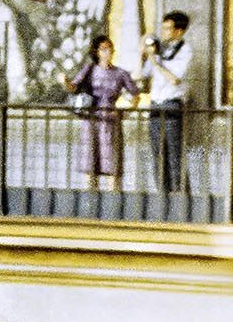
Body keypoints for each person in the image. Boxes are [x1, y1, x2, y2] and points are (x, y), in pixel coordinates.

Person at [65, 34, 137, 191]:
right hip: (91, 117)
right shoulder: (90, 69)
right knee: (91, 159)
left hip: (110, 118)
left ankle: (114, 196)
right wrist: (64, 81)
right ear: (97, 52)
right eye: (104, 49)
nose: (108, 52)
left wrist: (128, 112)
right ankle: (90, 197)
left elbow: (135, 94)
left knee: (112, 159)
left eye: (110, 48)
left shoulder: (120, 73)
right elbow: (74, 87)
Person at [139, 10, 192, 194]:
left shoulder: (185, 50)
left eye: (168, 29)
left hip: (172, 104)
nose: (163, 32)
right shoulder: (159, 49)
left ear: (179, 31)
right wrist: (144, 54)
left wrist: (155, 61)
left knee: (174, 154)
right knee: (158, 153)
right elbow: (143, 76)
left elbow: (175, 78)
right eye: (162, 28)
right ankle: (163, 195)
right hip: (156, 103)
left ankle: (180, 196)